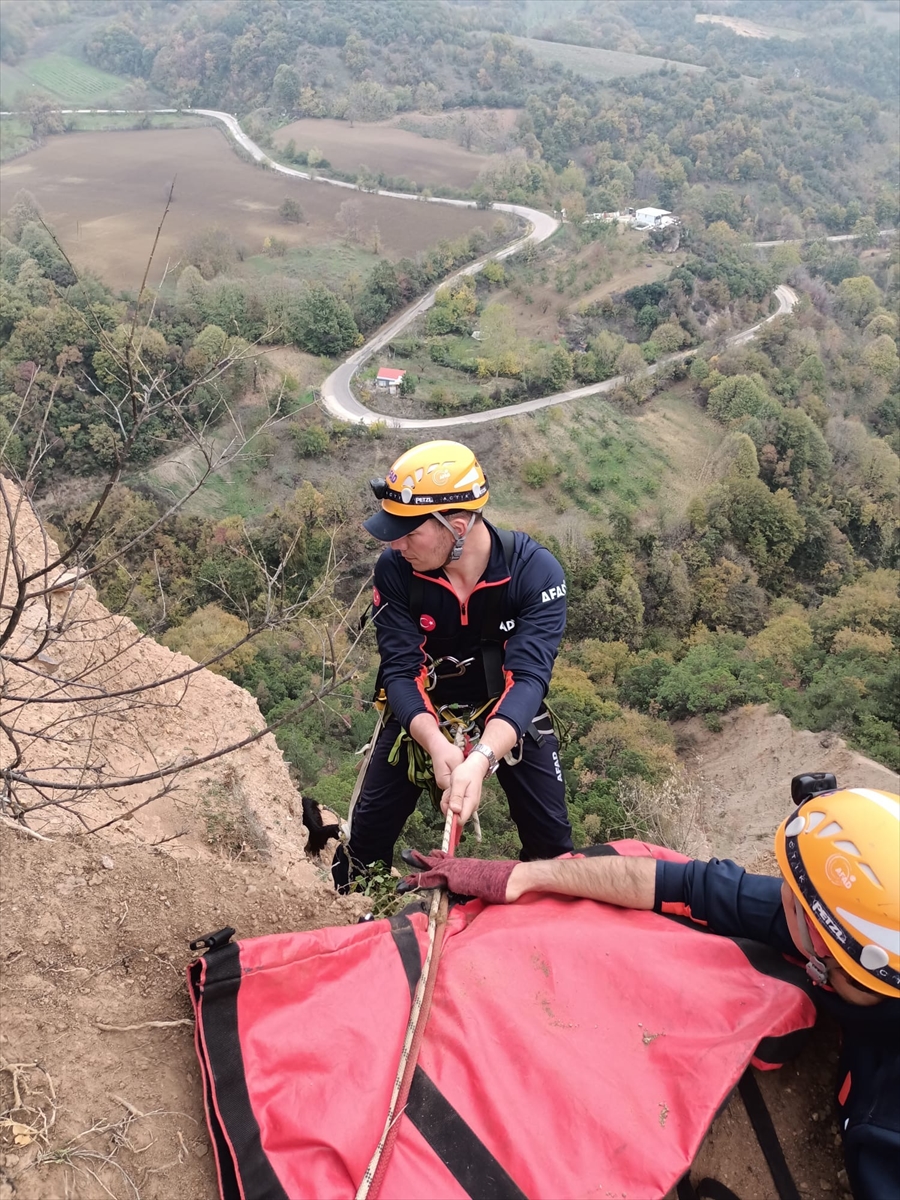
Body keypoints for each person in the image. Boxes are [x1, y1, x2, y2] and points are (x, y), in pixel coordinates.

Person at [398, 784, 900, 1200]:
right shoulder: (853, 938)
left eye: (793, 897)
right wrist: (526, 875)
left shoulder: (884, 1125)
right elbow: (680, 885)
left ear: (822, 947)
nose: (779, 895)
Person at [332, 440, 573, 889]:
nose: (395, 544)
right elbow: (401, 671)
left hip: (504, 708)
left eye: (408, 532)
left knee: (552, 844)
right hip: (422, 709)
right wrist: (439, 745)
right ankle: (355, 908)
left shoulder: (534, 573)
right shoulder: (397, 570)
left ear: (457, 526)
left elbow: (529, 679)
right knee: (367, 836)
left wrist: (481, 757)